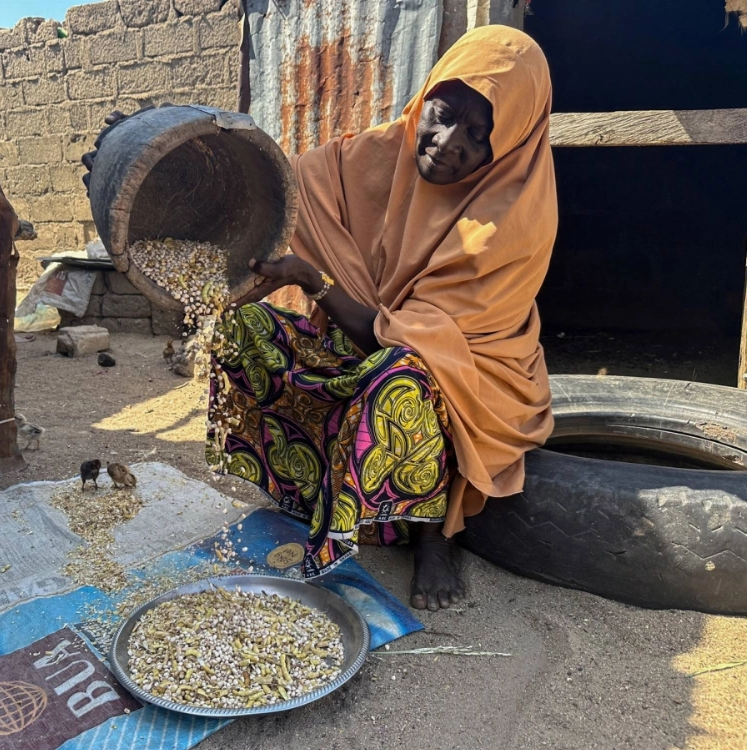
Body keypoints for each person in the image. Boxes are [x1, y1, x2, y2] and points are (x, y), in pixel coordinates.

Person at [84, 25, 556, 611]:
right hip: (359, 344)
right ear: (427, 94)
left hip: (464, 381)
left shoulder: (511, 219)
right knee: (242, 329)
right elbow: (277, 191)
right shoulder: (371, 159)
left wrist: (315, 282)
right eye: (444, 111)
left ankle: (434, 535)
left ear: (508, 145)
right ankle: (311, 489)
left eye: (478, 134)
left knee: (400, 378)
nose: (448, 140)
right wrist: (139, 161)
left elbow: (427, 347)